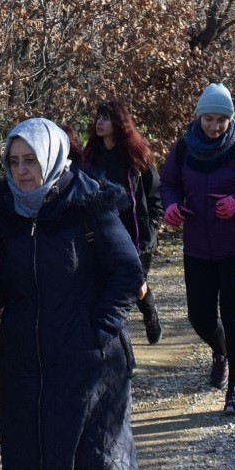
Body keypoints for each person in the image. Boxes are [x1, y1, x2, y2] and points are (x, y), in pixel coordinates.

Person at [0, 118, 145, 470]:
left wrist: (98, 330)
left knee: (92, 459)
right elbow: (1, 278)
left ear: (53, 159)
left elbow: (127, 271)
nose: (22, 171)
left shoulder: (88, 202)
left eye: (30, 161)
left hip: (89, 358)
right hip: (27, 360)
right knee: (45, 463)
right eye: (14, 162)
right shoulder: (6, 208)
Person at [159, 83, 235, 416]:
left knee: (233, 316)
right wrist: (171, 207)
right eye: (208, 119)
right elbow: (168, 184)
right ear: (198, 117)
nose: (214, 126)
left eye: (221, 120)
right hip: (197, 248)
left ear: (230, 119)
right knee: (200, 317)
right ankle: (220, 352)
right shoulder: (183, 149)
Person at [83, 101, 165, 345]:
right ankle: (116, 336)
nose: (100, 122)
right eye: (98, 117)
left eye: (106, 118)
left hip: (136, 232)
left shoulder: (137, 155)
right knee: (111, 284)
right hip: (104, 232)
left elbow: (154, 193)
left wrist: (153, 223)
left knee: (135, 283)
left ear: (119, 123)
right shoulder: (92, 156)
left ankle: (149, 314)